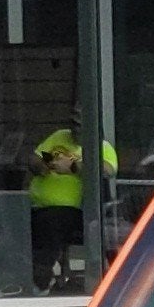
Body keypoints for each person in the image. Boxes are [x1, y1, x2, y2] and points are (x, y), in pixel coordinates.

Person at [29, 124, 106, 291]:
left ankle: (41, 280)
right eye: (75, 121)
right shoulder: (60, 136)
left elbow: (106, 169)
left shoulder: (100, 146)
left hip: (70, 211)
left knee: (51, 224)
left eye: (81, 122)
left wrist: (73, 167)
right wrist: (47, 165)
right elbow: (35, 159)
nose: (76, 127)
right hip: (36, 205)